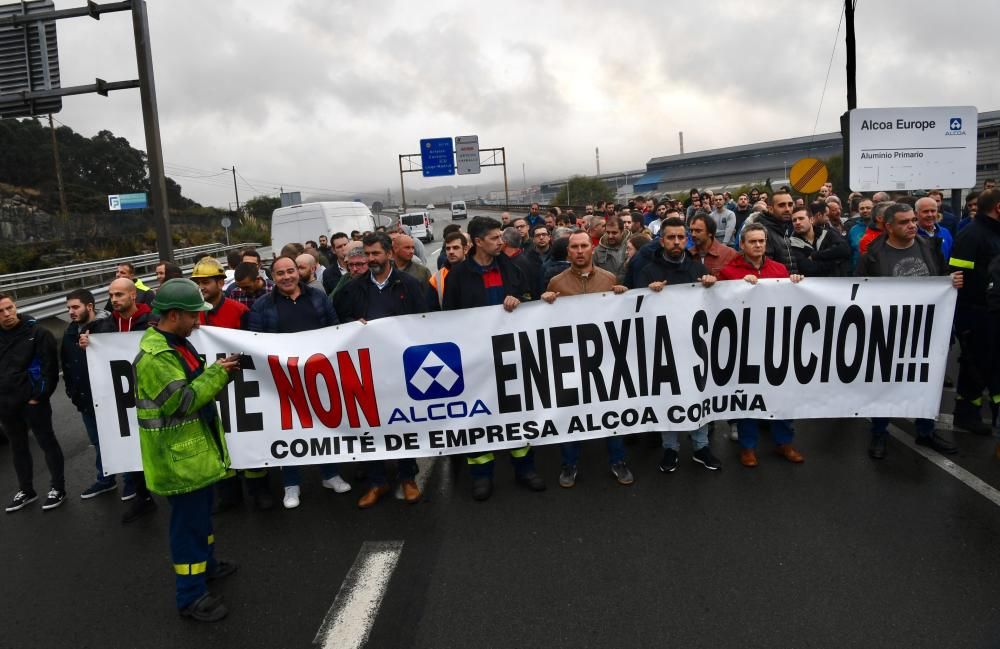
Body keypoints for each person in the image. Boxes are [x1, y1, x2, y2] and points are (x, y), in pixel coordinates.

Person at [133, 279, 240, 622]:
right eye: (194, 315)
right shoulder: (156, 357)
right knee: (188, 529)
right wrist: (218, 375)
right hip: (177, 462)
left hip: (193, 456)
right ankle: (190, 596)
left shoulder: (176, 342)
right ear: (175, 315)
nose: (198, 321)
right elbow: (184, 400)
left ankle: (206, 565)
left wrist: (216, 374)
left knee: (201, 518)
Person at [442, 216, 544, 501]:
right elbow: (448, 316)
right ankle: (481, 474)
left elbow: (529, 298)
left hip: (510, 355)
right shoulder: (458, 276)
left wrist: (519, 300)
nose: (501, 242)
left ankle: (524, 468)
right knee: (479, 416)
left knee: (516, 412)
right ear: (477, 242)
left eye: (501, 237)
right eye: (494, 238)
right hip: (475, 359)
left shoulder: (513, 267)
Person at [857, 203, 963, 457]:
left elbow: (942, 275)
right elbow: (858, 290)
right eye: (904, 222)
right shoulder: (873, 255)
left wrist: (952, 280)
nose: (913, 225)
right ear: (888, 226)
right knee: (884, 382)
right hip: (888, 330)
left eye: (913, 220)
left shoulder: (929, 246)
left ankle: (926, 431)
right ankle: (880, 432)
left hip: (926, 329)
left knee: (927, 380)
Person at [247, 256, 349, 508]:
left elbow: (334, 329)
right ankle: (291, 484)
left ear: (298, 272)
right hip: (281, 379)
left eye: (290, 271)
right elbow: (254, 340)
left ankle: (330, 474)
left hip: (317, 374)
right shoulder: (261, 306)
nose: (286, 277)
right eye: (280, 273)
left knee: (324, 424)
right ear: (272, 277)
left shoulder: (317, 297)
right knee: (288, 430)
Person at [335, 232, 429, 508]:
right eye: (367, 254)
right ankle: (377, 481)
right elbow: (339, 321)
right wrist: (354, 324)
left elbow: (423, 321)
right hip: (366, 369)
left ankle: (407, 477)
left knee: (402, 421)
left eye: (376, 253)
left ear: (389, 254)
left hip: (401, 367)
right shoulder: (352, 289)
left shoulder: (409, 285)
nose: (371, 259)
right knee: (370, 423)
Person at [541, 232, 633, 487]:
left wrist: (622, 297)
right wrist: (545, 301)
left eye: (584, 246)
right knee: (569, 414)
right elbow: (546, 323)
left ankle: (617, 460)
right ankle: (569, 464)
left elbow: (621, 318)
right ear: (568, 252)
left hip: (604, 361)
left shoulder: (609, 279)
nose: (579, 251)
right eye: (574, 247)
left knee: (611, 411)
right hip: (570, 361)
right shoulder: (556, 283)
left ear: (592, 249)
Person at [638, 217, 723, 472]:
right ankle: (670, 448)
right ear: (661, 240)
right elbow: (635, 310)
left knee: (698, 394)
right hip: (663, 348)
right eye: (670, 237)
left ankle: (701, 446)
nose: (676, 242)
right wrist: (647, 293)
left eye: (680, 237)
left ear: (686, 239)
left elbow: (713, 306)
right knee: (668, 397)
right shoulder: (648, 271)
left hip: (695, 346)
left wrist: (711, 285)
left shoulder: (697, 269)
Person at [718, 224, 805, 467]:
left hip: (775, 342)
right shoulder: (729, 272)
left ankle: (784, 442)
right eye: (753, 241)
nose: (758, 245)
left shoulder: (779, 269)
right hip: (744, 345)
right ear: (742, 245)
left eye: (762, 241)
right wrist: (737, 287)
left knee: (780, 393)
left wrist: (796, 282)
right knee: (747, 397)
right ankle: (748, 446)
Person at [189, 257, 272, 511]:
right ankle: (228, 495)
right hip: (208, 386)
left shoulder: (239, 311)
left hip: (240, 385)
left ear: (220, 282)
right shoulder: (192, 314)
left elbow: (252, 346)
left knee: (248, 437)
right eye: (199, 282)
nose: (202, 287)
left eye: (206, 282)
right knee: (217, 438)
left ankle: (259, 491)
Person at [86, 278, 159, 522]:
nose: (114, 299)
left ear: (133, 295)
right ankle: (143, 497)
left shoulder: (152, 319)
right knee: (131, 444)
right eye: (111, 295)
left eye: (119, 294)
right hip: (123, 397)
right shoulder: (104, 326)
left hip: (153, 392)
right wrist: (87, 344)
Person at [0, 293, 64, 512]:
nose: (7, 314)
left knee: (47, 442)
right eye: (1, 311)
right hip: (6, 404)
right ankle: (26, 490)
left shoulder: (37, 333)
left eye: (9, 308)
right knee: (18, 448)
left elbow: (50, 369)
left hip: (33, 401)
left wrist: (39, 396)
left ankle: (58, 488)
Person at [949, 189, 1000, 436]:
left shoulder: (993, 233)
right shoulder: (972, 234)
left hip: (993, 311)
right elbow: (960, 278)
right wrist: (966, 319)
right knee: (975, 366)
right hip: (978, 314)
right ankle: (967, 414)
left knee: (993, 365)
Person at [62, 289, 120, 499]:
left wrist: (95, 343)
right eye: (69, 308)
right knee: (97, 441)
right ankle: (105, 479)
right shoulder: (70, 333)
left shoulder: (108, 328)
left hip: (109, 398)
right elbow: (67, 365)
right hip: (86, 399)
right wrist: (72, 391)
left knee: (122, 439)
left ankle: (134, 483)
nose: (71, 312)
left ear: (89, 307)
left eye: (75, 307)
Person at [788, 207, 850, 277]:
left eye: (801, 218)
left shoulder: (827, 234)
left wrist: (815, 256)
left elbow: (845, 249)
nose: (797, 222)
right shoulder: (792, 244)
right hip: (811, 286)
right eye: (794, 220)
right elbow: (808, 268)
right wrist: (836, 261)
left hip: (837, 283)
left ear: (811, 220)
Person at [687, 212, 738, 277]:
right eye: (691, 231)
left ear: (710, 233)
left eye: (698, 231)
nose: (693, 234)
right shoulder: (688, 255)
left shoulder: (730, 254)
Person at [429, 232, 467, 308]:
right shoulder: (436, 279)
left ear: (465, 249)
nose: (451, 252)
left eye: (455, 247)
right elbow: (431, 310)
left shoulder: (477, 271)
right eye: (448, 248)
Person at [915, 196, 953, 262]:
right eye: (925, 211)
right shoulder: (911, 235)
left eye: (933, 211)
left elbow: (951, 256)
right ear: (916, 214)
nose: (930, 214)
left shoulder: (945, 232)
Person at [594, 215, 630, 283]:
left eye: (614, 233)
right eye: (608, 232)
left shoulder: (632, 246)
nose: (610, 236)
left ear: (622, 231)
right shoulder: (598, 250)